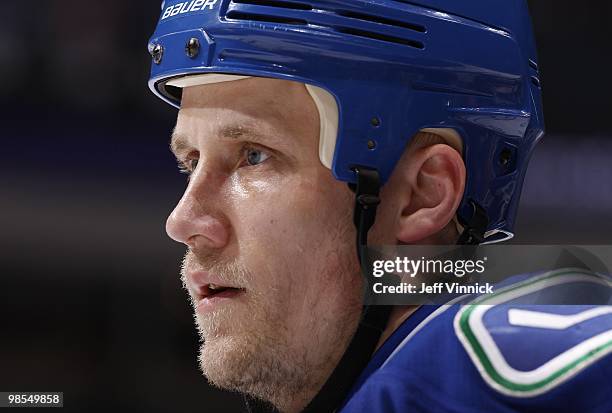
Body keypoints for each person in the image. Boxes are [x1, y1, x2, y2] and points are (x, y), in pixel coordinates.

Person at [146, 1, 612, 412]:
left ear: (421, 195)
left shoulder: (467, 362)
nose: (183, 220)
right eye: (190, 163)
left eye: (254, 156)